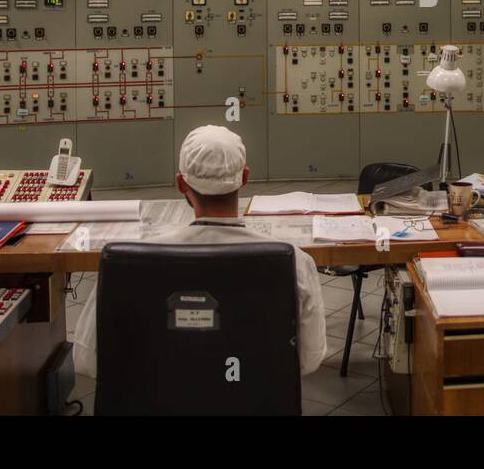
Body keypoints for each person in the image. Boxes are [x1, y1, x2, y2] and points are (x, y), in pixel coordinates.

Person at [72, 125, 326, 378]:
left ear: (181, 183)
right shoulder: (293, 261)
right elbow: (309, 359)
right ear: (245, 177)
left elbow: (86, 360)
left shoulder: (125, 262)